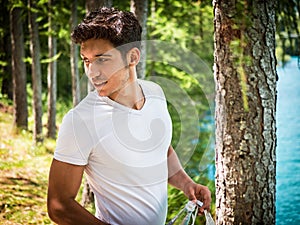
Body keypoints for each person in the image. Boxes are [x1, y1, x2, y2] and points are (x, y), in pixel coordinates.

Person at [47, 7, 211, 225]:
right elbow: (58, 205)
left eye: (102, 59)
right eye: (86, 60)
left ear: (132, 57)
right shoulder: (81, 120)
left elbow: (161, 150)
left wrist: (186, 183)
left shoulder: (155, 93)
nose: (92, 72)